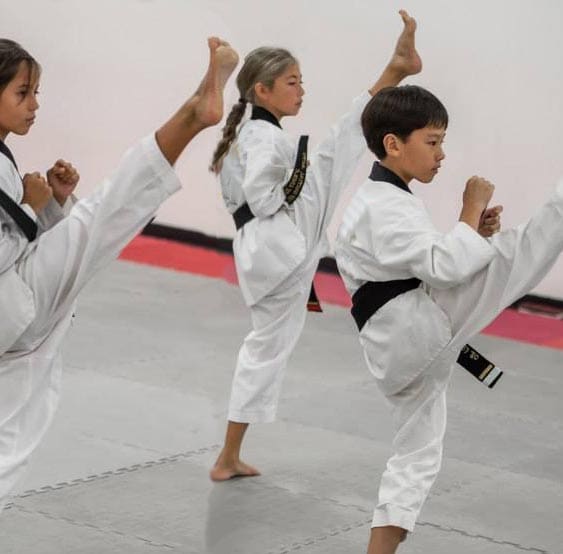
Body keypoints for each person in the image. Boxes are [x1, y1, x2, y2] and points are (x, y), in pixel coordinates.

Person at [0, 36, 239, 511]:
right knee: (101, 219)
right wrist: (30, 208)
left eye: (37, 93)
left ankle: (192, 116)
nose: (34, 105)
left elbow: (26, 243)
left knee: (14, 435)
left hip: (19, 315)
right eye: (22, 93)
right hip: (12, 309)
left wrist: (52, 206)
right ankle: (191, 117)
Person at [335, 82, 563, 553]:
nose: (441, 154)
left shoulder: (381, 200)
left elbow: (429, 258)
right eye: (432, 142)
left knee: (415, 456)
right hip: (415, 327)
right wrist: (469, 209)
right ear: (393, 144)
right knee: (518, 250)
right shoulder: (384, 205)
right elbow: (445, 267)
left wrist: (470, 231)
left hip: (399, 345)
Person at [209, 11, 423, 482]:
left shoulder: (251, 132)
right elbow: (266, 199)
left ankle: (395, 70)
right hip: (278, 243)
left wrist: (301, 168)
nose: (300, 90)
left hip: (268, 248)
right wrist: (300, 170)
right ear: (262, 91)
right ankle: (225, 457)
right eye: (291, 82)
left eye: (300, 81)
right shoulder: (264, 137)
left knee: (337, 148)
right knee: (331, 153)